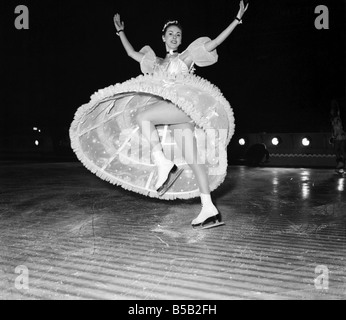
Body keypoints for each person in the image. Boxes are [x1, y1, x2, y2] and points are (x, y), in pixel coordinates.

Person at [70, 1, 249, 228]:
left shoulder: (185, 58)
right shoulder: (155, 63)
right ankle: (209, 208)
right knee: (194, 161)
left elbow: (213, 43)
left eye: (178, 34)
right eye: (170, 34)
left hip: (183, 108)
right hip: (175, 116)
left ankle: (162, 162)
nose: (174, 37)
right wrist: (120, 31)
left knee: (143, 118)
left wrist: (236, 20)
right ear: (163, 37)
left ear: (181, 39)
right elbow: (131, 52)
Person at [330, 100, 346, 174]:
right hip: (341, 135)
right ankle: (342, 165)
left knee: (338, 150)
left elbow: (338, 128)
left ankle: (341, 164)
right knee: (341, 150)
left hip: (339, 136)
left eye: (332, 111)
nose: (331, 112)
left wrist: (334, 136)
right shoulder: (336, 119)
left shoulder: (336, 119)